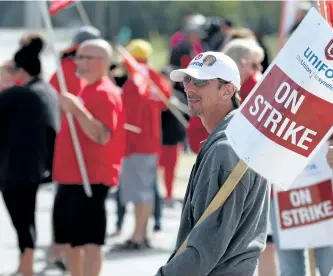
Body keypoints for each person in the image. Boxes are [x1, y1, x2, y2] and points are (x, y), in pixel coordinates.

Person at [155, 51, 269, 276]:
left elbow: (205, 246)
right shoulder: (237, 136)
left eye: (200, 81)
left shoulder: (226, 148)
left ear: (227, 90)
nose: (189, 88)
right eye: (187, 80)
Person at [52, 39, 125, 276]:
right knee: (72, 241)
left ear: (102, 61)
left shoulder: (105, 92)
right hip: (73, 175)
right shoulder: (87, 87)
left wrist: (77, 109)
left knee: (89, 240)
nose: (78, 62)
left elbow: (102, 135)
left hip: (91, 176)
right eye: (78, 57)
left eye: (85, 57)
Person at [0, 36, 60, 276]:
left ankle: (26, 267)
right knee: (28, 218)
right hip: (35, 167)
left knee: (21, 220)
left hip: (15, 169)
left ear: (20, 71)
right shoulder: (45, 90)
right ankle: (26, 266)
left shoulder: (18, 95)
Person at [49, 25, 102, 271]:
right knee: (76, 225)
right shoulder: (71, 72)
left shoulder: (63, 70)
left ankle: (58, 250)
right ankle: (60, 251)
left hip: (75, 152)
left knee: (75, 226)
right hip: (74, 150)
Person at [116, 39, 172, 249]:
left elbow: (130, 121)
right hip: (151, 143)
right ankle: (141, 233)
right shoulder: (153, 78)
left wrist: (125, 148)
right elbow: (166, 101)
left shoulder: (134, 84)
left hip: (137, 146)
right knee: (145, 190)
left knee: (140, 193)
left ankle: (138, 236)